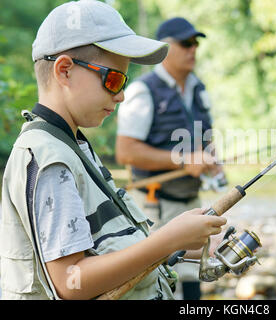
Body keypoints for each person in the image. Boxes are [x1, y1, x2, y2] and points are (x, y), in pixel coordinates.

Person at [0, 1, 226, 300]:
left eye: (124, 81)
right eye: (113, 79)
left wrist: (178, 238)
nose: (120, 96)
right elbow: (71, 282)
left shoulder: (71, 143)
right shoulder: (49, 157)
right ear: (64, 70)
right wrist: (168, 241)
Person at [115, 17, 222, 300]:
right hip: (154, 206)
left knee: (191, 279)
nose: (193, 50)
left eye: (196, 44)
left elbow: (205, 140)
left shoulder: (198, 88)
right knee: (162, 281)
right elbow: (126, 151)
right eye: (186, 44)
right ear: (165, 47)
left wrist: (212, 164)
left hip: (191, 201)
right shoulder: (141, 91)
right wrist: (184, 161)